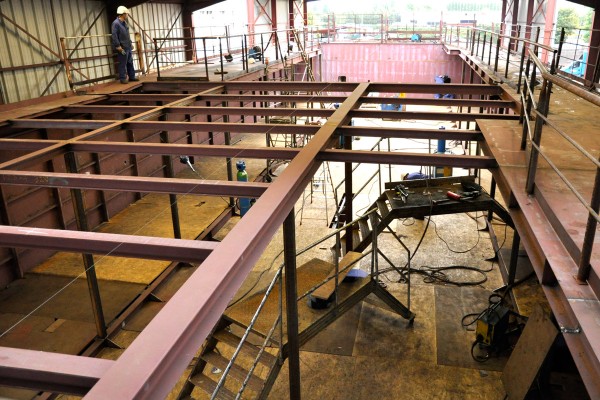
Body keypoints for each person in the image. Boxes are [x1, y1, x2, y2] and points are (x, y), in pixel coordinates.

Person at [111, 6, 138, 84]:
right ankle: (123, 78)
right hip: (122, 47)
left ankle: (132, 77)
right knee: (123, 63)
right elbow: (114, 35)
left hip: (127, 46)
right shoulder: (115, 23)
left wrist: (130, 43)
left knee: (130, 62)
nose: (127, 15)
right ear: (123, 14)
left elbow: (127, 34)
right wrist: (118, 46)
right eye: (126, 14)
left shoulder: (124, 23)